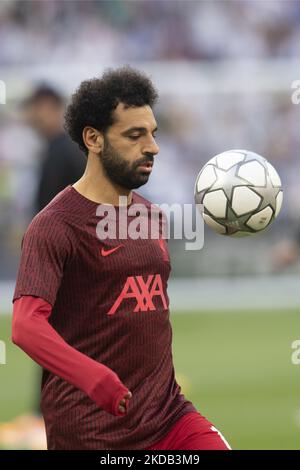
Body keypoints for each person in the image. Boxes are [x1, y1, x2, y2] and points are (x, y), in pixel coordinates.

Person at [12, 66, 230, 450]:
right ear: (94, 139)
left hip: (168, 418)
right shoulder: (54, 226)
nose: (152, 146)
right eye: (135, 135)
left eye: (153, 133)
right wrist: (94, 377)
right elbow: (26, 326)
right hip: (91, 432)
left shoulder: (151, 216)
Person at [23, 85, 85, 212]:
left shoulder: (64, 151)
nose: (32, 117)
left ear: (52, 108)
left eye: (37, 109)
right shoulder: (57, 148)